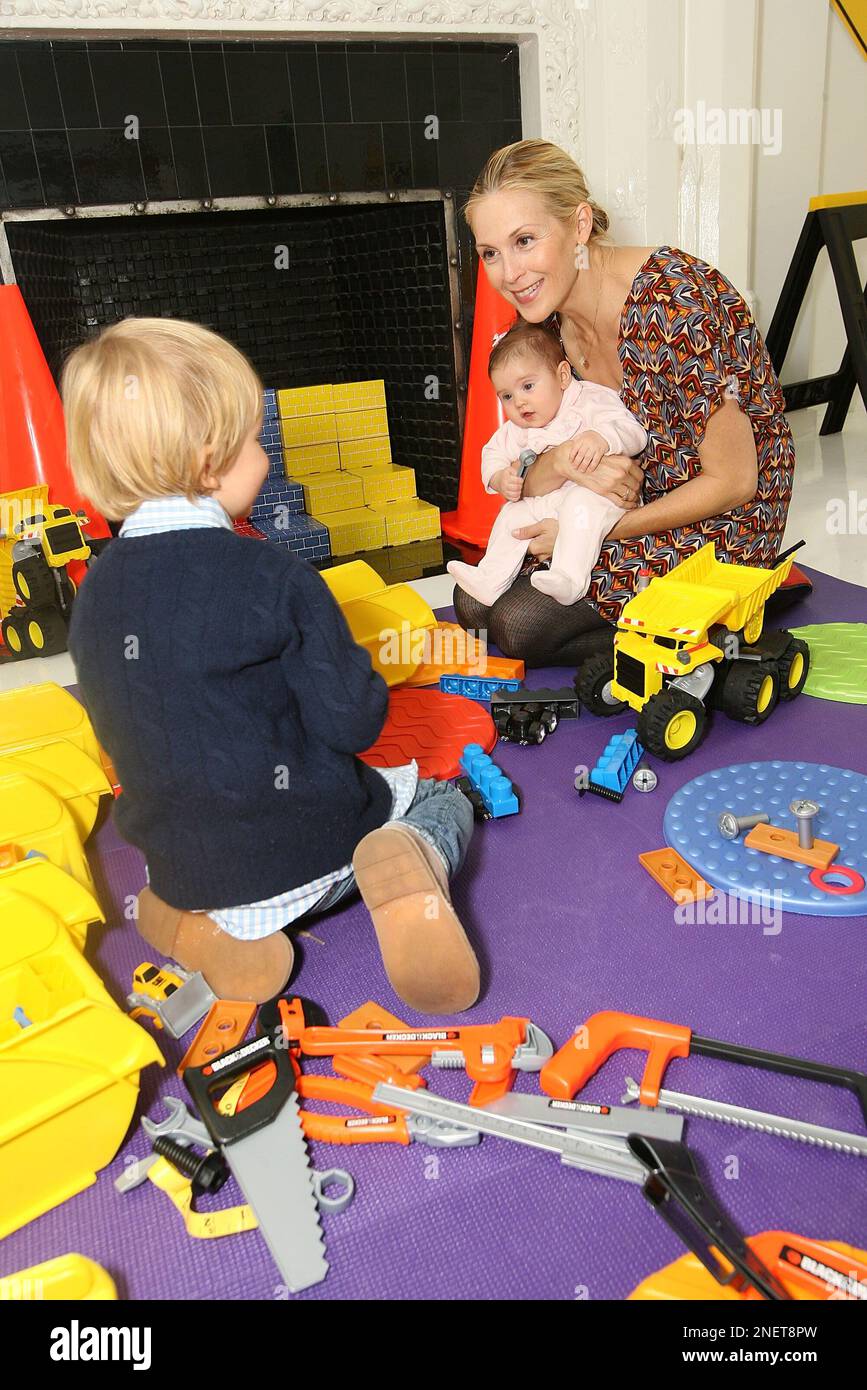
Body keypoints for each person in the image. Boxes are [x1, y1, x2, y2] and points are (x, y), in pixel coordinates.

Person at [62, 317, 478, 1013]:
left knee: (188, 843)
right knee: (444, 798)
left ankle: (183, 920)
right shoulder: (273, 574)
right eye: (254, 439)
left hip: (190, 868)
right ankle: (406, 860)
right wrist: (356, 672)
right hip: (319, 849)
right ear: (207, 461)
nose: (264, 455)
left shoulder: (92, 597)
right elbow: (351, 723)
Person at [454, 138, 795, 668]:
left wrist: (591, 529)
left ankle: (710, 643)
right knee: (472, 601)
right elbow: (534, 461)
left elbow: (736, 481)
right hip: (609, 497)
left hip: (719, 516)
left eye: (525, 240)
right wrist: (561, 467)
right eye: (491, 253)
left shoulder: (678, 301)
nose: (509, 273)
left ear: (580, 225)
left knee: (517, 626)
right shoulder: (545, 326)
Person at [447, 320, 646, 607]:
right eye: (507, 396)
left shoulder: (590, 400)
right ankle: (490, 578)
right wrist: (500, 477)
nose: (519, 403)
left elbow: (634, 433)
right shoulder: (518, 428)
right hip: (549, 501)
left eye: (528, 386)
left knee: (580, 506)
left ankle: (569, 577)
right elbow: (492, 452)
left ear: (562, 376)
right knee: (511, 514)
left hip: (597, 499)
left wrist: (601, 437)